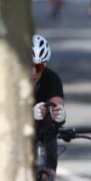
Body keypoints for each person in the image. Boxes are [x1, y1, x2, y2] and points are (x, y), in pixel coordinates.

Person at [31, 34, 66, 172]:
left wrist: (59, 114)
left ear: (44, 65)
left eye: (38, 67)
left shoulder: (52, 78)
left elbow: (56, 102)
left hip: (42, 132)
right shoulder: (12, 77)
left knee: (50, 133)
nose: (33, 72)